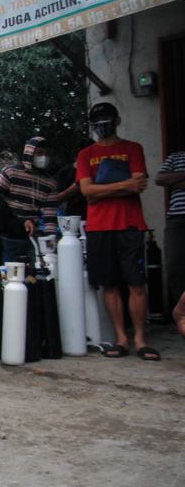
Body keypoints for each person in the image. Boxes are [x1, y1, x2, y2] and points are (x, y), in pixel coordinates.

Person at [76, 102, 158, 362]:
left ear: (117, 120)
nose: (102, 124)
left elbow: (139, 185)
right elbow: (86, 191)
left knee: (137, 283)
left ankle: (141, 340)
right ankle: (121, 339)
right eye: (97, 120)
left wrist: (102, 190)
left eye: (106, 119)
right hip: (99, 226)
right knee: (109, 285)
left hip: (130, 224)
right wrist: (123, 185)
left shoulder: (132, 149)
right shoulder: (86, 154)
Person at [0, 137, 60, 263]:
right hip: (9, 235)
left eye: (47, 154)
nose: (43, 157)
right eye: (39, 153)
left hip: (33, 236)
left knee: (37, 274)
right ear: (29, 153)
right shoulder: (11, 172)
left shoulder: (50, 183)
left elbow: (51, 217)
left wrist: (51, 243)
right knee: (10, 274)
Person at [155, 149, 185, 312]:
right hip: (177, 219)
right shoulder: (176, 157)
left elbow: (169, 180)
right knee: (176, 267)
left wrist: (176, 180)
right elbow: (160, 179)